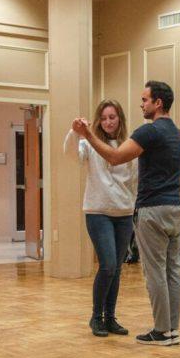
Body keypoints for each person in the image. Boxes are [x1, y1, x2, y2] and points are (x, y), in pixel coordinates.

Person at [74, 81, 180, 346]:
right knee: (173, 271)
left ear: (158, 103)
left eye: (145, 99)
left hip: (153, 210)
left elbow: (114, 157)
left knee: (156, 272)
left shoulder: (150, 131)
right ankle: (172, 330)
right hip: (176, 208)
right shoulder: (176, 134)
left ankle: (160, 331)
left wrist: (88, 135)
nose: (141, 104)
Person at [64, 99, 137, 338]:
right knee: (107, 265)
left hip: (124, 213)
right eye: (104, 118)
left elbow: (134, 179)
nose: (108, 122)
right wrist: (74, 133)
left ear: (120, 119)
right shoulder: (89, 143)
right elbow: (72, 155)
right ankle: (96, 317)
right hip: (98, 212)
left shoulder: (130, 146)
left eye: (112, 117)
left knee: (116, 268)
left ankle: (110, 317)